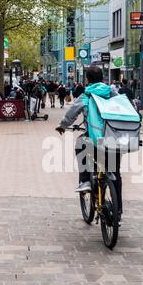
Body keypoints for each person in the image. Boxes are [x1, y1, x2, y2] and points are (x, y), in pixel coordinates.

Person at [56, 66, 123, 221]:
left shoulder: (86, 95)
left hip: (94, 139)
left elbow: (72, 112)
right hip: (113, 139)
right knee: (115, 174)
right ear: (103, 79)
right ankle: (117, 212)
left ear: (87, 79)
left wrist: (63, 126)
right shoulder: (112, 93)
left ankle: (85, 180)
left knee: (81, 143)